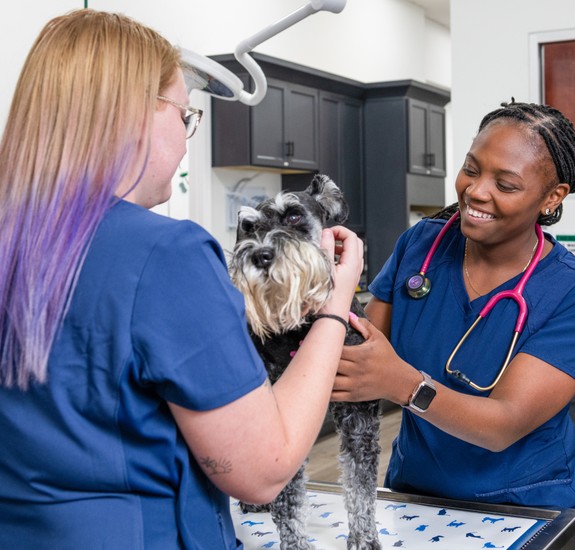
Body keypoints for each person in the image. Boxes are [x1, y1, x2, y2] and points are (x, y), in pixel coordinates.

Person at [0, 9, 364, 549]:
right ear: (132, 115)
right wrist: (336, 300)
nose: (188, 138)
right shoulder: (167, 256)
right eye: (185, 115)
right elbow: (263, 472)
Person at [333, 100, 575, 531]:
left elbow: (503, 425)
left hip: (525, 508)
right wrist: (320, 286)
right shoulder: (420, 245)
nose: (476, 191)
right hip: (413, 494)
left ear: (553, 197)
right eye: (471, 169)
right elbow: (357, 350)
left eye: (506, 184)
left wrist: (401, 382)